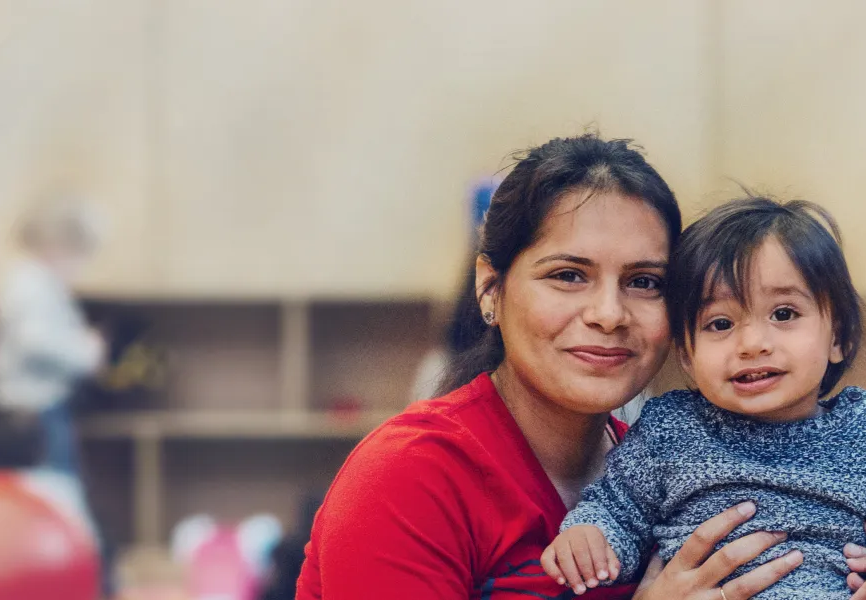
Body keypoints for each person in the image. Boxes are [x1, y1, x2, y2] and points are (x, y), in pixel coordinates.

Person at [298, 134, 815, 599]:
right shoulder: (411, 475)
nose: (609, 314)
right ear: (490, 288)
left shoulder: (662, 468)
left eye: (644, 282)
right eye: (569, 275)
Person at [545, 197, 866, 598]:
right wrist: (590, 535)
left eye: (784, 314)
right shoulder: (670, 431)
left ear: (840, 338)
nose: (752, 343)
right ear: (685, 352)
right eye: (719, 323)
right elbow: (619, 510)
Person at [0, 192, 108, 478]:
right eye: (79, 256)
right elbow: (36, 343)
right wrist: (88, 352)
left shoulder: (35, 282)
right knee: (54, 486)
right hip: (33, 410)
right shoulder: (29, 283)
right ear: (55, 246)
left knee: (56, 483)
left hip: (38, 407)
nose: (79, 268)